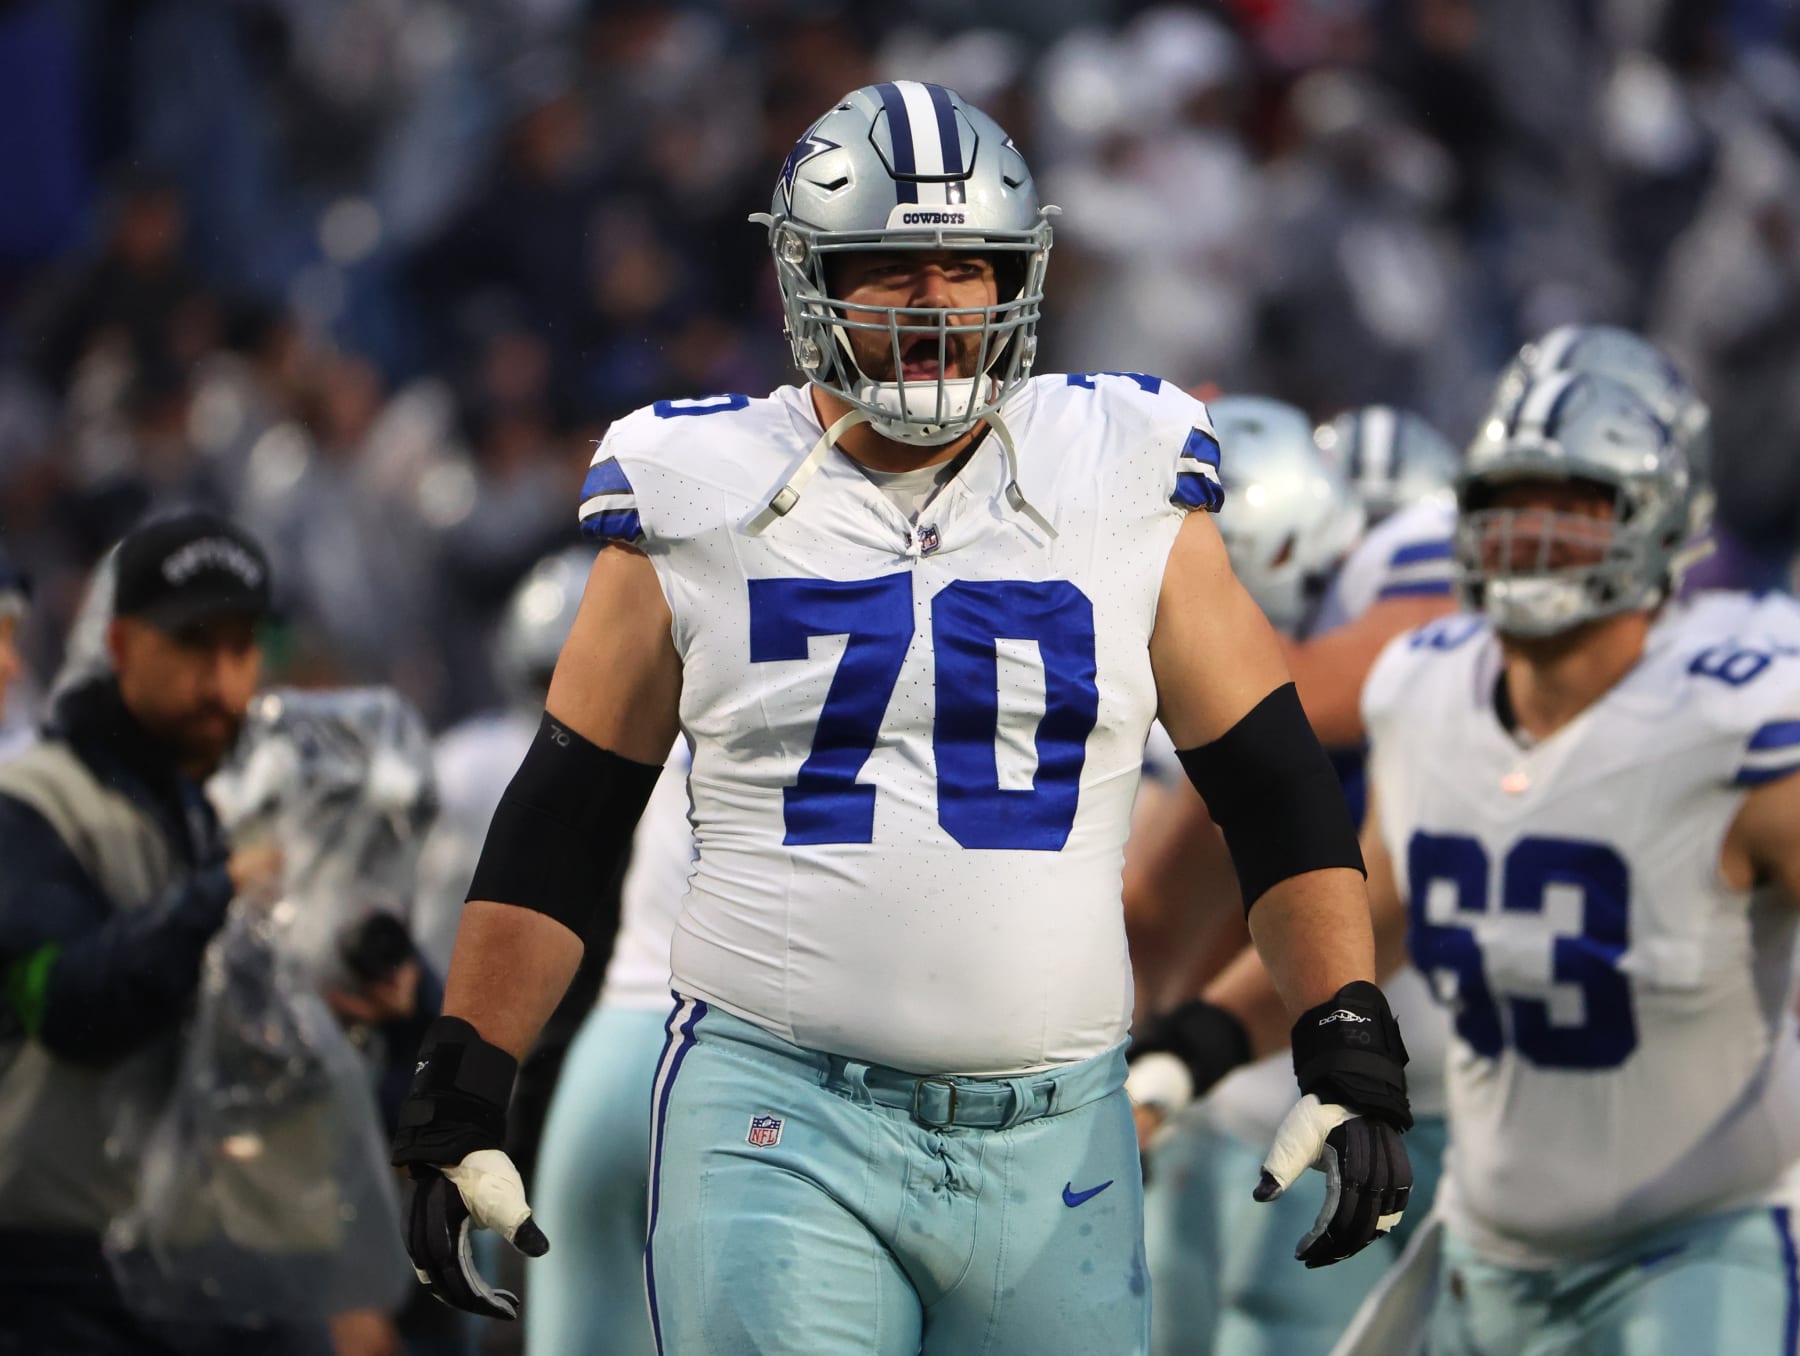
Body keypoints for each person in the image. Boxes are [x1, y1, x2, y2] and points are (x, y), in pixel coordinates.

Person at [390, 82, 1413, 1355]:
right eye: (889, 267)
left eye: (967, 265)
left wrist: (1344, 1028)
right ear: (808, 276)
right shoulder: (701, 486)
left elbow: (1268, 780)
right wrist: (466, 1077)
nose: (936, 302)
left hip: (1060, 1134)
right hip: (778, 1108)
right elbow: (563, 816)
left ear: (1017, 276)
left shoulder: (1124, 466)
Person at [1335, 365, 1800, 1355]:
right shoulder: (1426, 691)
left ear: (1660, 523)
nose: (1535, 531)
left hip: (1693, 1253)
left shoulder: (1740, 717)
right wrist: (1195, 1046)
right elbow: (1361, 916)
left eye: (1575, 505)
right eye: (1511, 501)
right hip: (1488, 1250)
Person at [1126, 397, 1451, 1356]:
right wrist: (1168, 1052)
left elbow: (1361, 677)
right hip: (1286, 1070)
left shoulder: (1415, 562)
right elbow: (1158, 906)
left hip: (1466, 1080)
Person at [0, 510, 298, 1355]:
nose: (224, 678)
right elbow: (65, 1002)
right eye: (196, 644)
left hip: (188, 1259)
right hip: (51, 1277)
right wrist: (217, 897)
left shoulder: (208, 810)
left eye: (243, 648)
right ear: (123, 647)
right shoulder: (30, 803)